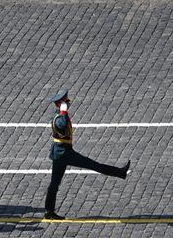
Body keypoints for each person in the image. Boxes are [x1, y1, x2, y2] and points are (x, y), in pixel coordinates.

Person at [44, 90, 130, 220]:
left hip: (60, 152)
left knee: (54, 183)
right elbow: (61, 125)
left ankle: (49, 211)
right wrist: (63, 111)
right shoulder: (59, 118)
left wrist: (63, 111)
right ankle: (120, 172)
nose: (68, 103)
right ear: (60, 104)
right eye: (66, 102)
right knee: (94, 165)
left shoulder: (59, 115)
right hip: (64, 153)